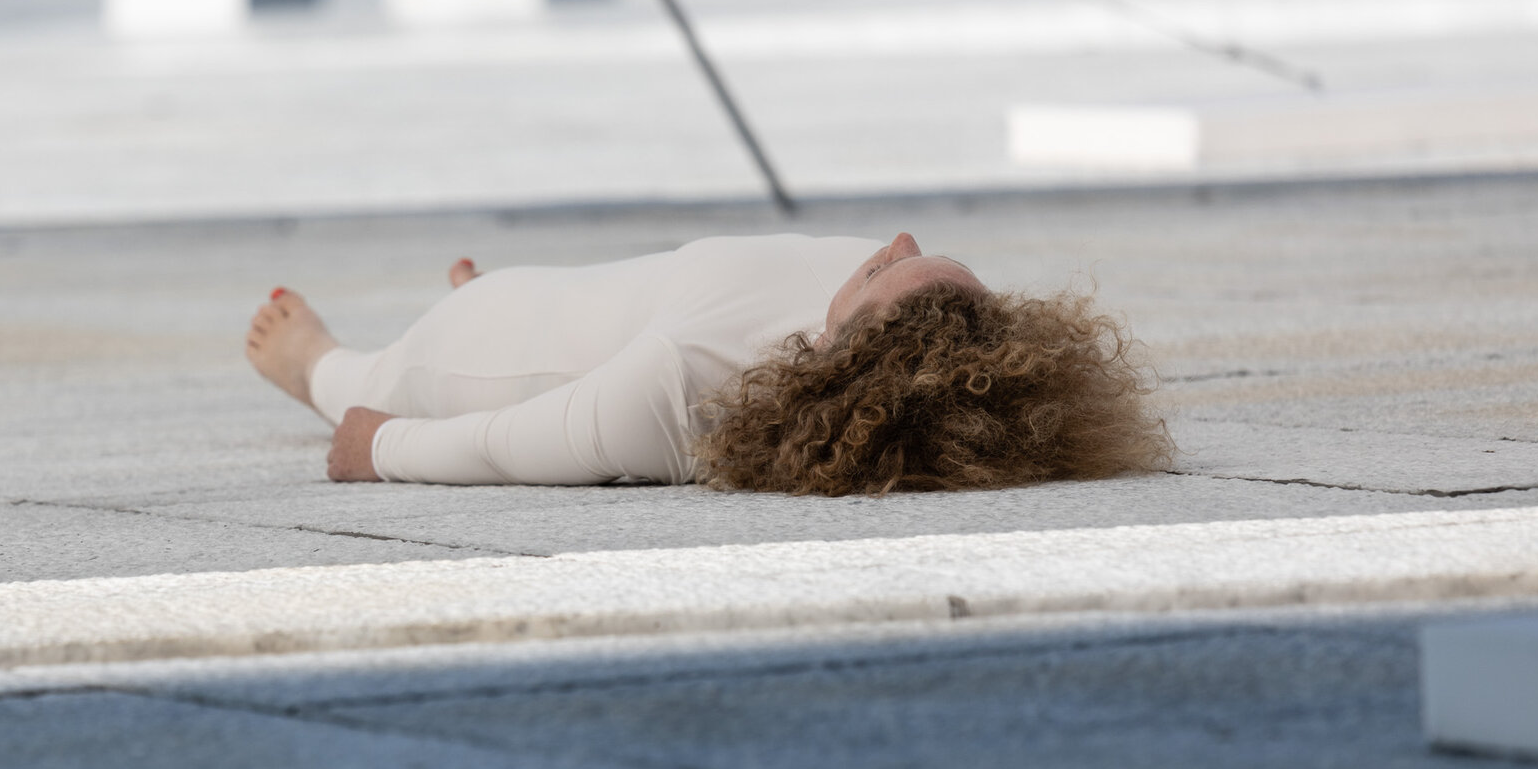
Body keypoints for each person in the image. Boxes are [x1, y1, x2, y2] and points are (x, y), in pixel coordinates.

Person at [243, 231, 1169, 494]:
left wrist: (381, 444)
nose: (894, 240)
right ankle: (487, 288)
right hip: (607, 296)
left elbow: (515, 443)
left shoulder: (685, 383)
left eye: (888, 267)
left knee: (377, 379)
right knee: (569, 301)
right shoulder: (891, 326)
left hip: (485, 358)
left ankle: (319, 362)